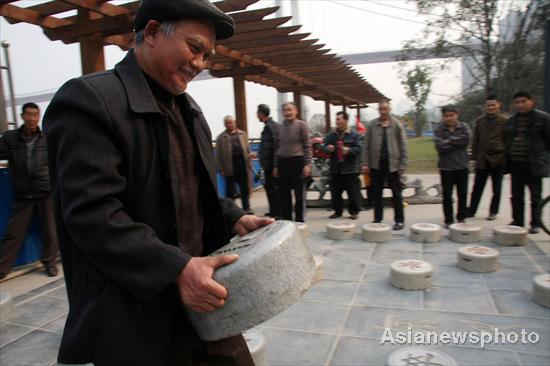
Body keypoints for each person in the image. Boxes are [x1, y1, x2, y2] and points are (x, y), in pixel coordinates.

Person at [42, 1, 273, 364]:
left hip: (200, 302)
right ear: (150, 32)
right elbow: (92, 214)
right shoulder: (89, 100)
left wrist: (233, 217)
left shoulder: (191, 111)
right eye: (194, 47)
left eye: (206, 55)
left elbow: (194, 192)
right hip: (134, 312)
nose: (200, 63)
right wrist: (177, 268)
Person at [0, 103, 59, 279]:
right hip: (23, 192)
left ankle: (50, 263)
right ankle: (2, 268)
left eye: (36, 115)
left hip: (44, 190)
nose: (33, 118)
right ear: (22, 116)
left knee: (50, 231)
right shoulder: (10, 138)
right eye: (29, 114)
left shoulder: (48, 137)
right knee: (13, 233)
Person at [505, 91, 550, 234]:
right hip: (516, 163)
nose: (520, 105)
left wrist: (544, 160)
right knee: (516, 195)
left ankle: (535, 223)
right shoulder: (511, 120)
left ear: (532, 101)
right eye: (517, 102)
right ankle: (517, 221)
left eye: (523, 101)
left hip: (533, 164)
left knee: (535, 196)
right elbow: (507, 140)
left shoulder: (543, 118)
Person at [362, 99, 408, 230]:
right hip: (376, 165)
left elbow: (403, 146)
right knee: (377, 193)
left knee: (396, 193)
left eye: (385, 109)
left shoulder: (397, 125)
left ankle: (399, 220)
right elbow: (365, 146)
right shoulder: (371, 125)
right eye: (381, 109)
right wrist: (365, 164)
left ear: (389, 109)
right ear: (378, 110)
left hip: (393, 165)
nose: (383, 112)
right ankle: (377, 218)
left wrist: (403, 165)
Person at [467, 95, 508, 220]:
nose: (490, 108)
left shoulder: (504, 121)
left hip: (498, 159)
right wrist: (473, 157)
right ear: (485, 107)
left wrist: (505, 157)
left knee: (497, 188)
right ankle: (471, 210)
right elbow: (475, 140)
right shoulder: (480, 121)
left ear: (498, 105)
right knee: (477, 187)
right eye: (488, 105)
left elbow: (508, 140)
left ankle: (493, 212)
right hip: (482, 159)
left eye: (493, 105)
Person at [434, 105, 471, 228]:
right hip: (446, 168)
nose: (449, 118)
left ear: (457, 115)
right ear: (443, 117)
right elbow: (440, 148)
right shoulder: (439, 129)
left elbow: (465, 142)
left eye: (452, 115)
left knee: (462, 194)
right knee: (447, 195)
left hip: (461, 166)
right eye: (446, 116)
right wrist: (456, 142)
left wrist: (448, 141)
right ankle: (448, 220)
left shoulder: (464, 127)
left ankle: (461, 217)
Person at [273, 101, 312, 222]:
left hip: (298, 162)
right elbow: (277, 147)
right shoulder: (279, 128)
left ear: (296, 111)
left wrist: (307, 164)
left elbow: (307, 146)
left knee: (299, 196)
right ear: (282, 113)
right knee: (284, 195)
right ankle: (287, 222)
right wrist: (275, 166)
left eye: (290, 110)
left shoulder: (302, 125)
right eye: (285, 110)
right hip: (282, 163)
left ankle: (300, 221)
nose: (288, 112)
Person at [323, 111, 363, 220]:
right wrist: (328, 149)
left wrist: (349, 150)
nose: (337, 121)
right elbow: (323, 146)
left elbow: (359, 148)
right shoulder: (331, 135)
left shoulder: (354, 135)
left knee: (353, 192)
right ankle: (337, 211)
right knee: (335, 193)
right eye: (336, 119)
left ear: (345, 120)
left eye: (339, 119)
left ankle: (354, 212)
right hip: (335, 168)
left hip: (350, 169)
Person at [216, 115, 254, 214]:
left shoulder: (243, 134)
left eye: (231, 122)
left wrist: (250, 163)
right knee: (230, 191)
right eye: (227, 123)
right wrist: (221, 169)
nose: (229, 124)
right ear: (224, 124)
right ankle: (231, 210)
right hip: (229, 166)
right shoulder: (220, 138)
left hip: (242, 165)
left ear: (234, 122)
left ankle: (247, 208)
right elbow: (218, 155)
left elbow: (248, 149)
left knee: (244, 189)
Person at [257, 104, 281, 218]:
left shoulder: (270, 127)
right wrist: (258, 154)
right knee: (269, 188)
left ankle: (277, 212)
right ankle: (273, 211)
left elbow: (276, 146)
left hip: (271, 165)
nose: (257, 115)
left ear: (262, 114)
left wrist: (275, 165)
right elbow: (266, 146)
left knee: (273, 189)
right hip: (268, 164)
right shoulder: (269, 126)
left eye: (258, 113)